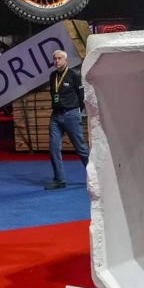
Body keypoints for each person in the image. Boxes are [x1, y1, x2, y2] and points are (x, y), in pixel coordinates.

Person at [45, 49, 88, 190]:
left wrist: (77, 111)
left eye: (59, 58)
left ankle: (96, 177)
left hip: (71, 115)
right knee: (53, 148)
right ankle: (59, 180)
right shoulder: (52, 76)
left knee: (81, 148)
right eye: (55, 58)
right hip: (56, 116)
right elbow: (54, 93)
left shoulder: (74, 75)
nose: (57, 61)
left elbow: (81, 95)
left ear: (66, 60)